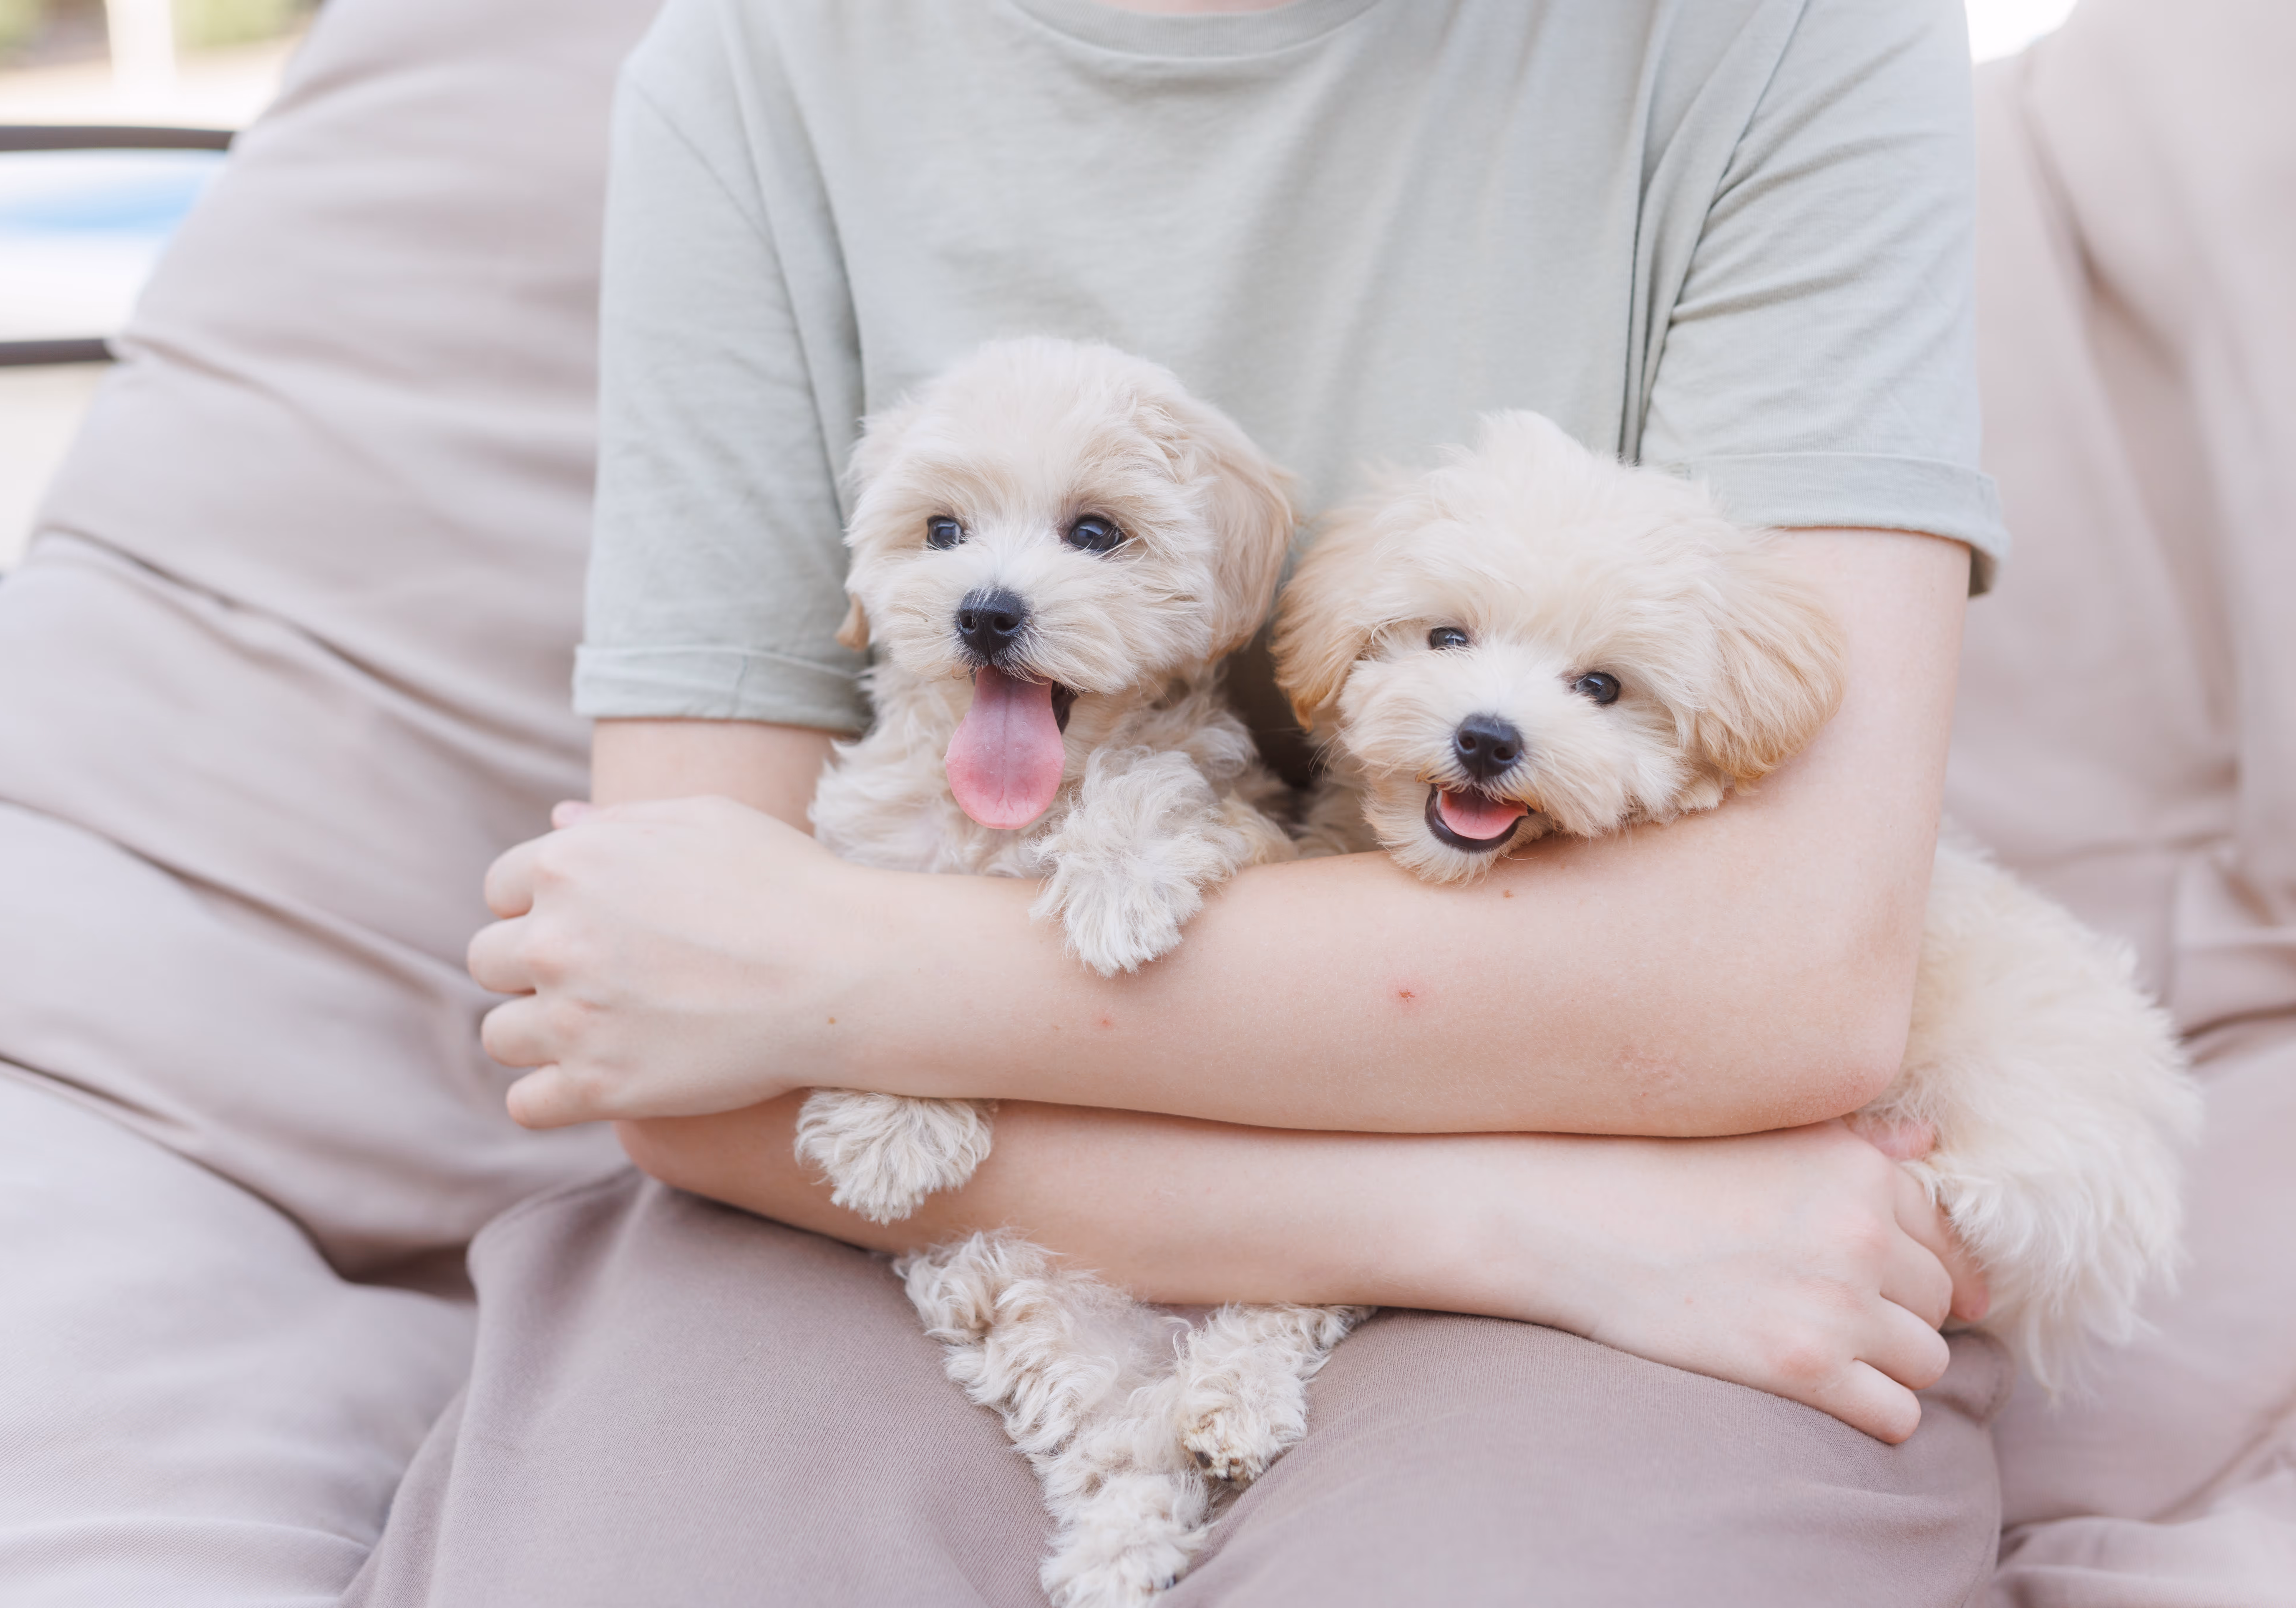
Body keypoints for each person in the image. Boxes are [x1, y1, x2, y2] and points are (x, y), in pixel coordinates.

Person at [350, 0, 2013, 1602]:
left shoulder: (1791, 26)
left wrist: (825, 975)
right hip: (1585, 1200)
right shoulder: (757, 54)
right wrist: (1515, 1220)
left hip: (1616, 1233)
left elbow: (1788, 970)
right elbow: (671, 1038)